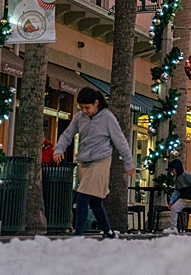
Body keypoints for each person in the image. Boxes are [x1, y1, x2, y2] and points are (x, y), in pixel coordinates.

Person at [52, 86, 134, 238]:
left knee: (82, 197)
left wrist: (128, 162)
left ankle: (78, 234)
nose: (84, 111)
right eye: (81, 108)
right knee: (95, 201)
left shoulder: (107, 118)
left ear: (96, 103)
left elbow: (120, 141)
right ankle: (108, 232)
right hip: (84, 162)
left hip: (101, 161)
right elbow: (67, 135)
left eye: (87, 107)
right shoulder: (79, 117)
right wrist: (59, 149)